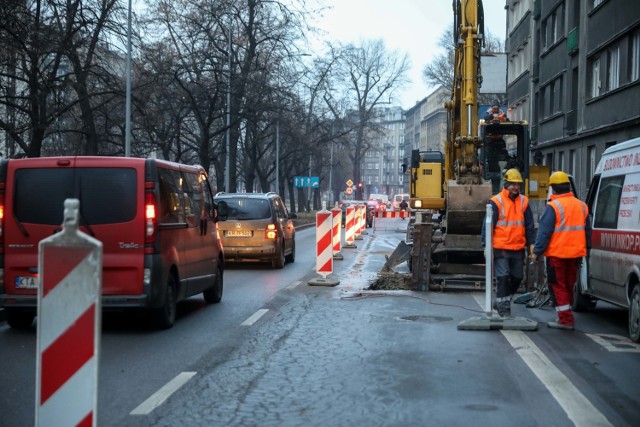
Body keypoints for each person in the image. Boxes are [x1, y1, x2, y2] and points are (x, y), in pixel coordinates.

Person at [531, 171, 590, 331]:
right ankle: (565, 313)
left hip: (557, 254)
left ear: (553, 188)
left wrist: (536, 252)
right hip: (576, 255)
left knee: (558, 285)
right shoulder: (582, 205)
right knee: (569, 284)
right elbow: (588, 231)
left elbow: (544, 233)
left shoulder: (553, 206)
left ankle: (565, 319)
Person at [481, 168, 536, 317]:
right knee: (503, 277)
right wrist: (486, 245)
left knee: (518, 277)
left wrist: (531, 246)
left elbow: (529, 226)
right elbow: (487, 225)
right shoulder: (496, 202)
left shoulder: (524, 202)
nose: (515, 187)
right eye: (512, 184)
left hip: (518, 247)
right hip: (501, 248)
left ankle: (500, 302)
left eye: (518, 184)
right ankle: (504, 310)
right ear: (506, 184)